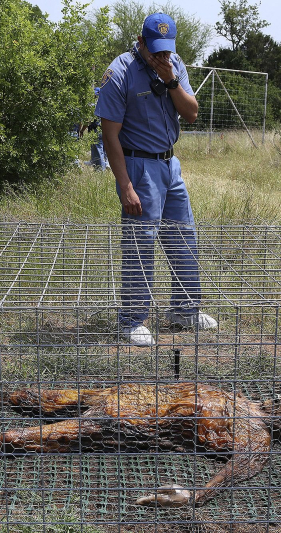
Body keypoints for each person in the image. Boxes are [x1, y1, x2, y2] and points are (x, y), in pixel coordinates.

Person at [95, 12, 217, 346]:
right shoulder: (120, 72)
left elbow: (191, 113)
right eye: (155, 51)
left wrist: (173, 81)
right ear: (140, 42)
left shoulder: (174, 64)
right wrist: (125, 186)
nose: (161, 57)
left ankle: (184, 309)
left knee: (184, 237)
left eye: (166, 50)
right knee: (141, 244)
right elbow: (110, 137)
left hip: (169, 164)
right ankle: (132, 320)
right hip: (138, 165)